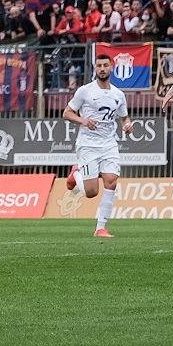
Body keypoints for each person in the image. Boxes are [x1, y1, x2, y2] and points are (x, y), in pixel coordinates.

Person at [64, 54, 134, 238]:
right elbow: (67, 112)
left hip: (109, 144)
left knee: (111, 180)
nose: (102, 69)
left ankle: (100, 228)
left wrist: (127, 124)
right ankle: (76, 173)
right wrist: (83, 120)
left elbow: (123, 116)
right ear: (95, 69)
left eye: (105, 65)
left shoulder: (118, 95)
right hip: (88, 144)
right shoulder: (85, 91)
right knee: (91, 192)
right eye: (99, 66)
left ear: (111, 68)